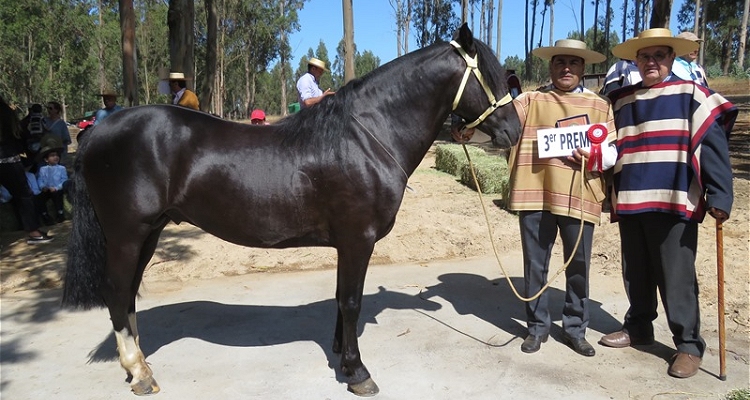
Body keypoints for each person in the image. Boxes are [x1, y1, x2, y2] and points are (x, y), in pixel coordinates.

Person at [457, 40, 617, 356]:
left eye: (573, 62)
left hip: (579, 196)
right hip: (535, 194)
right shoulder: (530, 101)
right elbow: (499, 129)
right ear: (551, 66)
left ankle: (575, 329)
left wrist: (594, 154)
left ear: (583, 68)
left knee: (579, 266)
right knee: (535, 265)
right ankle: (536, 328)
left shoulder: (600, 106)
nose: (566, 68)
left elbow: (611, 151)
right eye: (560, 62)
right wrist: (468, 133)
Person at [600, 28, 737, 379]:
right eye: (645, 56)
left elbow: (714, 144)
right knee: (636, 272)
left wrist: (720, 195)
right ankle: (639, 327)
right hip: (631, 196)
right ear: (635, 60)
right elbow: (605, 146)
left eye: (659, 55)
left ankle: (689, 345)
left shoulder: (693, 95)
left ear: (671, 59)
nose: (651, 62)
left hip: (674, 197)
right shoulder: (621, 100)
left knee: (676, 277)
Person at [0, 95, 53, 244]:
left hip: (7, 157)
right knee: (24, 195)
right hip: (7, 159)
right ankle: (34, 233)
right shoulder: (6, 112)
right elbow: (19, 135)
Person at [36, 141, 68, 225]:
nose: (55, 157)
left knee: (57, 196)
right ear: (46, 159)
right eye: (52, 156)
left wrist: (56, 188)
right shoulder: (43, 169)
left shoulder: (61, 168)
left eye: (57, 155)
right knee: (39, 198)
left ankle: (60, 213)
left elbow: (64, 180)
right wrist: (43, 187)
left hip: (57, 189)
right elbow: (40, 179)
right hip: (47, 189)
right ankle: (45, 215)